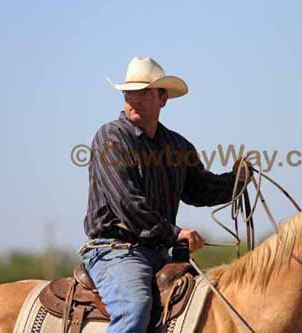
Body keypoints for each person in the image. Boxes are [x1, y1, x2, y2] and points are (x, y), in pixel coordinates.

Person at [80, 57, 251, 333]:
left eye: (144, 92)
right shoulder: (111, 139)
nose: (134, 99)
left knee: (214, 304)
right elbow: (128, 204)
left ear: (163, 99)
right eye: (129, 92)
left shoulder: (176, 146)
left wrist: (237, 181)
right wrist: (175, 233)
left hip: (159, 251)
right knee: (134, 309)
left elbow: (200, 189)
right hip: (116, 251)